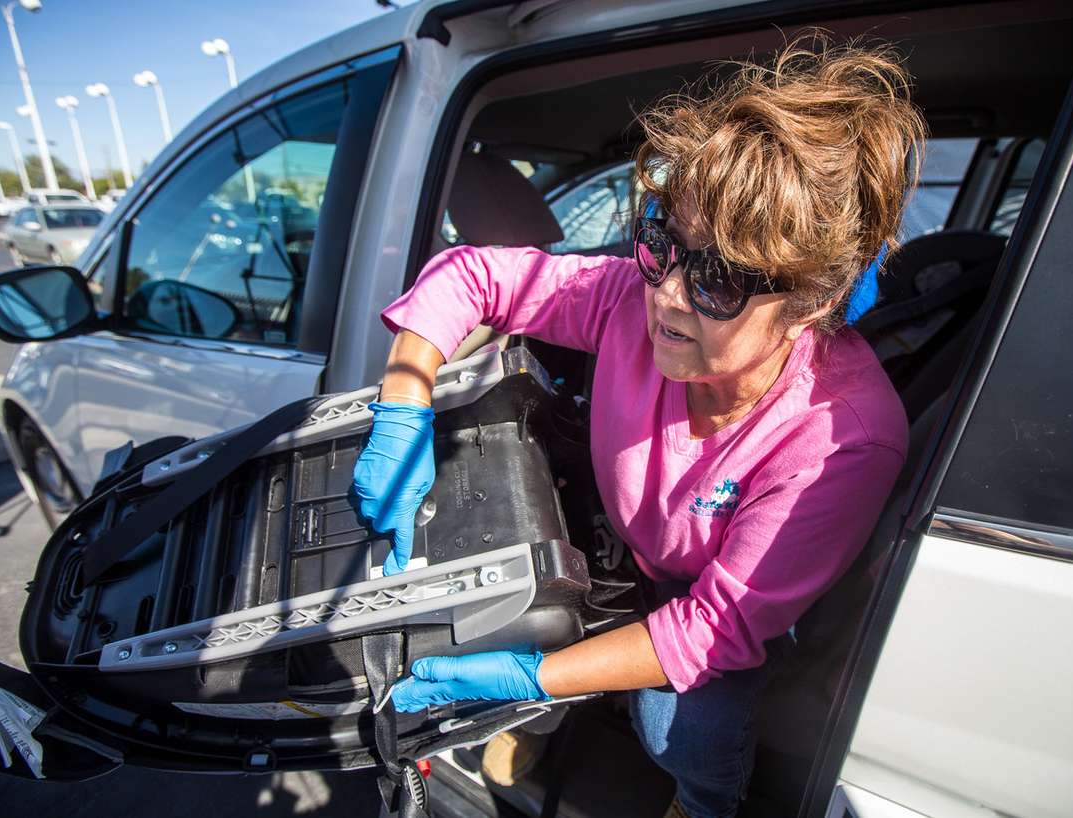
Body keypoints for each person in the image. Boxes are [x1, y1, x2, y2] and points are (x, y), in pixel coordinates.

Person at [349, 36, 926, 818]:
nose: (669, 296)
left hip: (716, 591)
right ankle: (550, 717)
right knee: (530, 606)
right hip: (626, 543)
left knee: (682, 725)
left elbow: (712, 627)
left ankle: (704, 800)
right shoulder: (629, 297)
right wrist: (404, 401)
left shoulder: (841, 439)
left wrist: (533, 674)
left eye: (720, 278)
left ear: (813, 302)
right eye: (662, 242)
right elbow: (477, 276)